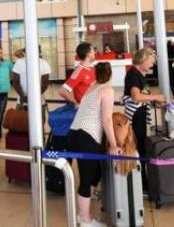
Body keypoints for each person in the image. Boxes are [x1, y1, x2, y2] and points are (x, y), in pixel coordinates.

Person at [68, 62, 117, 227]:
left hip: (74, 133)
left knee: (95, 171)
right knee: (86, 179)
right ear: (110, 75)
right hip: (86, 136)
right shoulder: (107, 90)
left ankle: (88, 201)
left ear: (95, 74)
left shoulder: (91, 88)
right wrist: (114, 144)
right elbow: (107, 119)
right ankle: (85, 220)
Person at [123, 47, 165, 188]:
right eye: (150, 62)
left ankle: (142, 180)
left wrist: (153, 102)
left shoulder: (139, 74)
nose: (152, 65)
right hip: (135, 118)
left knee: (141, 145)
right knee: (139, 146)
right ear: (142, 59)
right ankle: (141, 182)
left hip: (140, 116)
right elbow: (136, 96)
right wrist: (155, 96)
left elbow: (142, 97)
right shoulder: (133, 75)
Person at [11, 46, 51, 121]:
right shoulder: (20, 62)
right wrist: (32, 97)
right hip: (32, 100)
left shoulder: (43, 63)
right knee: (38, 125)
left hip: (25, 100)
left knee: (21, 124)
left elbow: (15, 82)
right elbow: (45, 83)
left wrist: (23, 96)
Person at [59, 42, 96, 107]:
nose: (94, 53)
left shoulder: (92, 69)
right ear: (88, 55)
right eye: (93, 51)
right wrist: (75, 103)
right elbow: (62, 91)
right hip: (85, 108)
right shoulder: (78, 71)